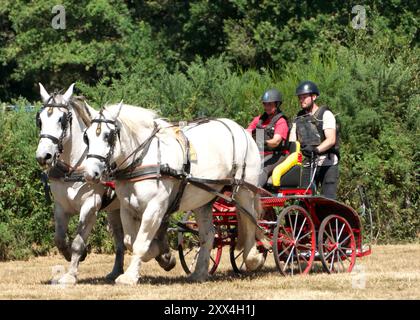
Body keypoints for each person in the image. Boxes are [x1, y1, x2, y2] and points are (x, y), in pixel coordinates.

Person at [289, 80, 339, 199]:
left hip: (327, 163)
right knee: (304, 199)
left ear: (314, 97)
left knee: (328, 200)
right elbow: (293, 142)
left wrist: (315, 150)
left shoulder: (325, 114)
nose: (301, 100)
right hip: (308, 163)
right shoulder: (298, 118)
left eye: (305, 97)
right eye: (300, 98)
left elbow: (331, 139)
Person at [247, 88, 289, 187]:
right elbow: (247, 132)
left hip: (278, 154)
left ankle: (255, 191)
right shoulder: (259, 119)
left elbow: (276, 141)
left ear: (277, 104)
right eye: (265, 104)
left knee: (262, 168)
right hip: (261, 153)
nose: (267, 107)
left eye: (270, 104)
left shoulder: (281, 121)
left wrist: (261, 142)